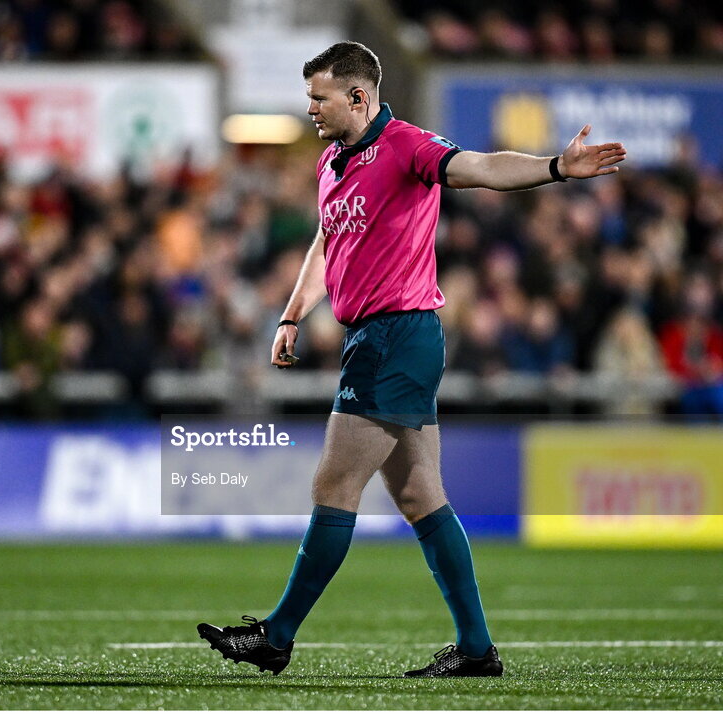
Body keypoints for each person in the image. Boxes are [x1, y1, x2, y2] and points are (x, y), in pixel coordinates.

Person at [197, 41, 626, 678]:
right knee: (421, 494)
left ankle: (278, 635)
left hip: (395, 336)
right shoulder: (330, 165)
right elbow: (326, 241)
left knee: (334, 484)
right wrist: (291, 313)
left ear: (358, 97)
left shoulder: (405, 146)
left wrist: (556, 168)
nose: (310, 107)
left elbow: (481, 167)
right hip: (385, 337)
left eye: (319, 97)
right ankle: (477, 650)